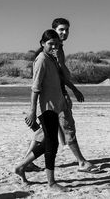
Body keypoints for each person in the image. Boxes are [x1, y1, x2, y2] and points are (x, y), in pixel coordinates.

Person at [25, 18, 101, 173]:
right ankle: (81, 162)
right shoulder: (47, 54)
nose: (64, 33)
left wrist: (73, 89)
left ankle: (26, 162)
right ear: (54, 30)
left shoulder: (55, 50)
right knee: (67, 128)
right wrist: (32, 110)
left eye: (67, 30)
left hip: (56, 97)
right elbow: (40, 83)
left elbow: (59, 75)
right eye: (61, 30)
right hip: (55, 99)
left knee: (44, 133)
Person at [14, 29, 69, 192]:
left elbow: (61, 79)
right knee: (52, 144)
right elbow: (35, 88)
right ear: (42, 43)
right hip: (45, 109)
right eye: (51, 44)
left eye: (56, 44)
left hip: (53, 107)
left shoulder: (52, 58)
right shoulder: (41, 60)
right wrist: (32, 111)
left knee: (47, 142)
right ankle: (51, 183)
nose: (54, 47)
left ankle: (21, 166)